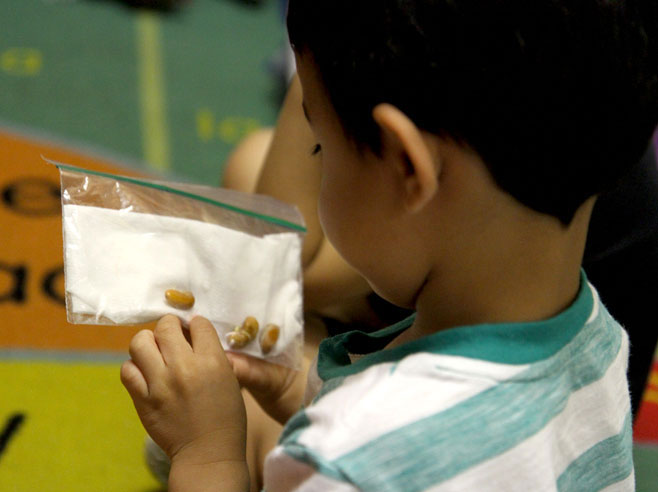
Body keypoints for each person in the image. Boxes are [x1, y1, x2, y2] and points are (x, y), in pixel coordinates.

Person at [120, 1, 658, 490]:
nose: (318, 159)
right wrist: (306, 397)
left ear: (406, 166)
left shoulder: (347, 463)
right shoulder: (599, 336)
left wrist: (207, 454)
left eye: (319, 147)